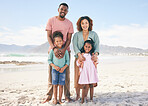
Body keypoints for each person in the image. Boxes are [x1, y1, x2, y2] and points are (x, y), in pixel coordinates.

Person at [44, 3, 74, 103]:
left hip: (65, 51)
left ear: (67, 12)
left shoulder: (69, 23)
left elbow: (69, 39)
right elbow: (48, 36)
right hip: (53, 51)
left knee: (66, 75)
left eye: (65, 10)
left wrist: (64, 49)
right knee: (51, 75)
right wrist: (54, 49)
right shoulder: (51, 20)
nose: (63, 11)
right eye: (62, 9)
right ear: (58, 9)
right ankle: (49, 96)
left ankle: (67, 96)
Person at [72, 16, 100, 101]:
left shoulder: (94, 34)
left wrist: (95, 55)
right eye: (82, 23)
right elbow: (75, 45)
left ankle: (85, 96)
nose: (84, 25)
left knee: (89, 77)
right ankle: (77, 95)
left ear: (89, 24)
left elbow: (96, 46)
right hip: (79, 59)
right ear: (80, 25)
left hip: (90, 60)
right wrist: (79, 55)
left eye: (86, 23)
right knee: (78, 77)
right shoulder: (76, 35)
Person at [48, 31, 69, 104]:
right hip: (54, 70)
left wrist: (63, 68)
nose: (59, 42)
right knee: (55, 85)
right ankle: (55, 99)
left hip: (62, 71)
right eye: (57, 41)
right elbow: (49, 60)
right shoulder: (52, 51)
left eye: (60, 41)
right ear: (54, 42)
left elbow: (67, 62)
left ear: (63, 41)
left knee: (61, 85)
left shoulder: (65, 51)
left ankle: (60, 100)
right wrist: (54, 66)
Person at [76, 38, 99, 104]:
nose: (87, 48)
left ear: (91, 47)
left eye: (89, 47)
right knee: (84, 86)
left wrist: (95, 59)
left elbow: (97, 61)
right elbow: (77, 63)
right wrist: (80, 61)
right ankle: (82, 99)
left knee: (91, 85)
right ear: (84, 46)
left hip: (91, 72)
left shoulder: (92, 55)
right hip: (84, 72)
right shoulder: (82, 55)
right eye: (86, 46)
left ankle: (91, 99)